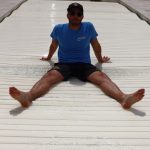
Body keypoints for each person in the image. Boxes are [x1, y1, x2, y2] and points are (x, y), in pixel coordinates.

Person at [9, 2, 145, 109]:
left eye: (79, 14)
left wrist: (99, 60)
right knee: (49, 76)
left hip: (83, 64)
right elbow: (53, 45)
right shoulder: (58, 29)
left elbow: (96, 45)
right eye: (73, 13)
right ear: (67, 15)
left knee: (102, 77)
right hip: (64, 64)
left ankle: (123, 98)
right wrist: (49, 57)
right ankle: (28, 97)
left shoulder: (89, 27)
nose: (76, 16)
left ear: (82, 16)